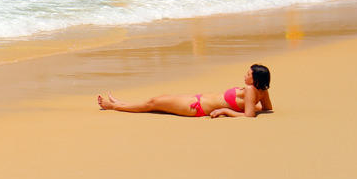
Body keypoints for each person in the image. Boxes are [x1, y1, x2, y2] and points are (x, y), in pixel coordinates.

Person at [97, 64, 272, 118]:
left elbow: (250, 116)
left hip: (196, 107)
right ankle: (122, 103)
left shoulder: (250, 90)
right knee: (159, 99)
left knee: (154, 103)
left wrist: (225, 110)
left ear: (255, 79)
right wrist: (242, 107)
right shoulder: (261, 91)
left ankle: (115, 107)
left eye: (248, 74)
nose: (245, 76)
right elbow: (266, 109)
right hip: (198, 99)